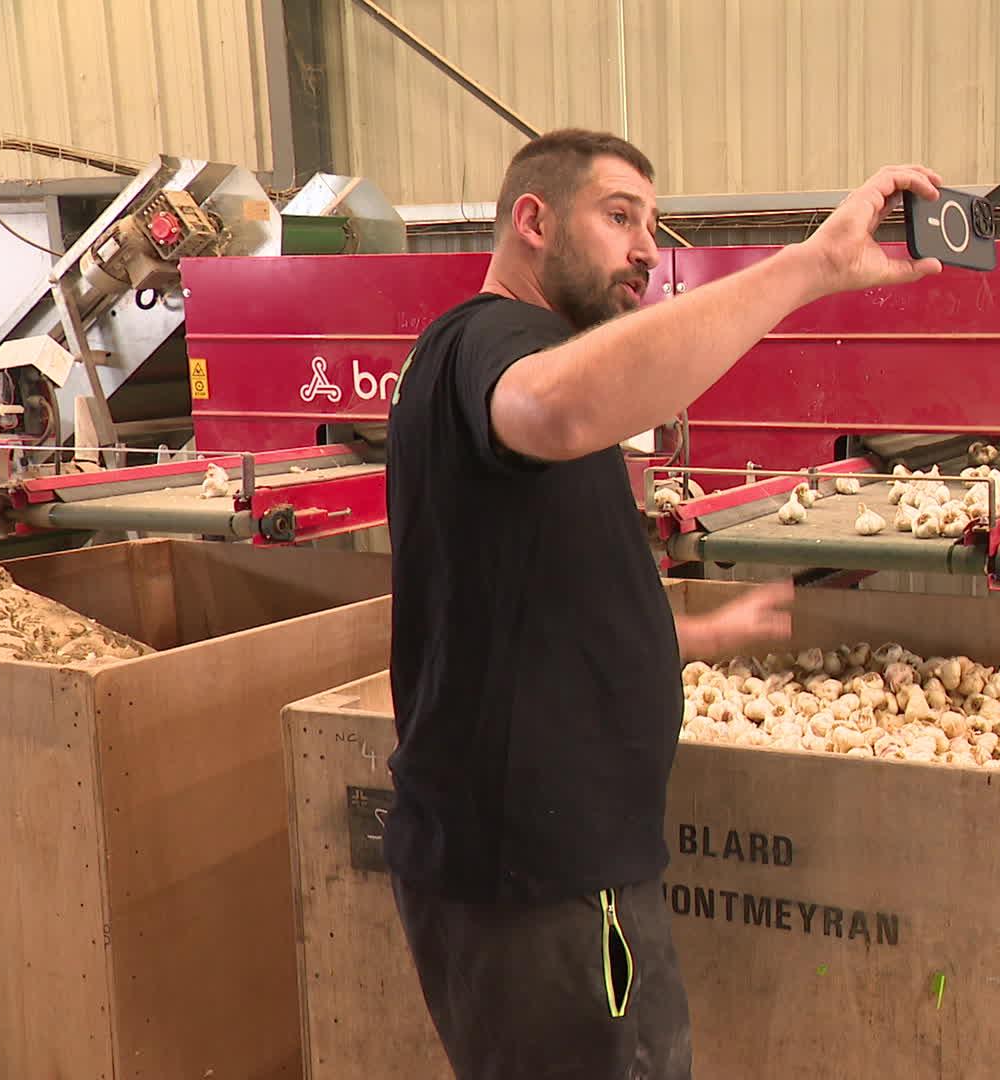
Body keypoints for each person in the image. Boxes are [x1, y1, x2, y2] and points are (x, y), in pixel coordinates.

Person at [381, 127, 947, 1079]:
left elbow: (525, 604)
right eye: (617, 217)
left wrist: (686, 633)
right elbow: (554, 409)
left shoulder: (503, 359)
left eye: (651, 222)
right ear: (532, 220)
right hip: (544, 877)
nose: (647, 248)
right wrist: (809, 267)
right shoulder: (497, 341)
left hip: (541, 863)